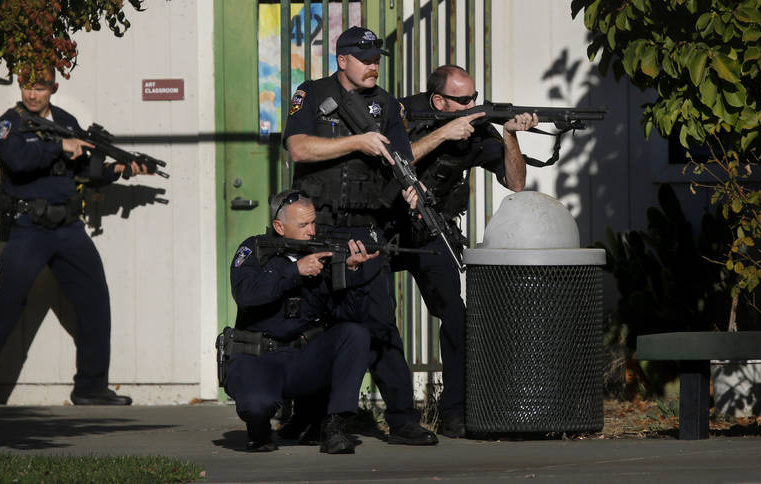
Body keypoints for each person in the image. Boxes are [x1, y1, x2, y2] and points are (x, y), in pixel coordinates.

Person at [0, 67, 152, 406]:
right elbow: (15, 160)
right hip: (28, 228)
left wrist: (122, 170)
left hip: (68, 229)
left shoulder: (66, 121)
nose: (32, 94)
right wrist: (59, 148)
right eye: (27, 86)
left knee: (96, 302)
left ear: (53, 87)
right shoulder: (10, 124)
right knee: (7, 306)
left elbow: (84, 170)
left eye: (39, 87)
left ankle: (90, 387)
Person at [283, 25, 438, 446]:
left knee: (380, 323)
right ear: (341, 60)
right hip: (318, 227)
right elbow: (298, 148)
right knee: (314, 322)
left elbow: (401, 160)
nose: (373, 67)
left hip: (365, 227)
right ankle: (311, 416)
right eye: (364, 59)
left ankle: (403, 419)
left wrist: (411, 187)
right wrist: (358, 142)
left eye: (376, 60)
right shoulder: (311, 94)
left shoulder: (387, 105)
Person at [396, 64, 538, 438]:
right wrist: (444, 133)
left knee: (456, 316)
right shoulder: (403, 112)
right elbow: (388, 160)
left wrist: (509, 135)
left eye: (475, 97)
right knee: (373, 315)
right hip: (386, 228)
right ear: (438, 100)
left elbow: (516, 182)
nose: (473, 104)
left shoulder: (475, 126)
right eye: (463, 100)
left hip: (430, 230)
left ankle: (454, 412)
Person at [221, 189, 377, 454]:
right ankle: (259, 428)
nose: (312, 231)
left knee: (355, 334)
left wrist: (351, 273)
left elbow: (347, 315)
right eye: (303, 225)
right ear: (280, 227)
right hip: (259, 358)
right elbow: (246, 294)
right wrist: (295, 271)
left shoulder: (323, 255)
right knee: (257, 406)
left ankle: (334, 426)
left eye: (313, 222)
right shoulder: (255, 250)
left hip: (302, 359)